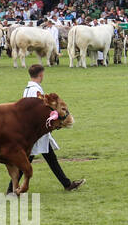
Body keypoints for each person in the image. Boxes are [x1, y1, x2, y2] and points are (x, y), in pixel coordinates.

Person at [9, 64, 84, 193]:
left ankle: (67, 184)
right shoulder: (35, 91)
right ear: (41, 74)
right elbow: (39, 111)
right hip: (35, 132)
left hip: (36, 131)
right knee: (26, 162)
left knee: (50, 158)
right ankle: (11, 189)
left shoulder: (28, 88)